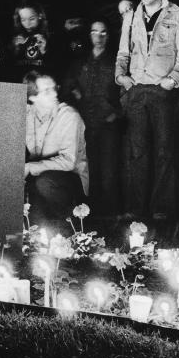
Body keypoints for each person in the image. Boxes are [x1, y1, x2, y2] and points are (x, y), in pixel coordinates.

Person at [115, 0, 179, 220]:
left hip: (163, 91)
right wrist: (121, 77)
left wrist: (173, 80)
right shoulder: (131, 16)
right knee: (137, 152)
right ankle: (135, 208)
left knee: (164, 150)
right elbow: (122, 52)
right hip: (137, 89)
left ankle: (162, 208)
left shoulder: (178, 15)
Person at [64, 20, 120, 214]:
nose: (99, 36)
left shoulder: (116, 61)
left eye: (103, 32)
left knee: (109, 169)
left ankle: (110, 213)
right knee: (87, 167)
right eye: (95, 32)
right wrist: (78, 97)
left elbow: (126, 91)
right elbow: (68, 86)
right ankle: (87, 211)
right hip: (85, 123)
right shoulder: (80, 61)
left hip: (107, 124)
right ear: (89, 35)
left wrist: (115, 114)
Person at [24, 71, 88, 226]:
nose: (54, 94)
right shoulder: (26, 113)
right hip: (40, 180)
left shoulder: (69, 116)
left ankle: (71, 222)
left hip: (69, 181)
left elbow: (69, 162)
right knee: (35, 227)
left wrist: (30, 167)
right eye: (46, 91)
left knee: (44, 182)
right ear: (32, 97)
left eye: (54, 88)